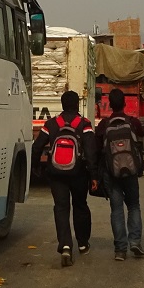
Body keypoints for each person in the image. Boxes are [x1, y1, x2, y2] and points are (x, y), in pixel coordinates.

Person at [31, 90, 96, 267]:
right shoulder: (84, 124)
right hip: (79, 173)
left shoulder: (52, 124)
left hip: (56, 173)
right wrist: (94, 174)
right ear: (77, 105)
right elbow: (91, 151)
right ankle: (82, 243)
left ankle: (65, 245)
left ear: (62, 105)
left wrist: (36, 167)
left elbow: (37, 147)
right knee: (80, 206)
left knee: (61, 208)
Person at [93, 89, 144, 261]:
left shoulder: (104, 125)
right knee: (134, 206)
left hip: (111, 174)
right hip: (130, 172)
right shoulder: (132, 122)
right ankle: (135, 242)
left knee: (116, 210)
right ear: (124, 103)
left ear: (109, 104)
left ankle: (120, 250)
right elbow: (142, 133)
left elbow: (96, 148)